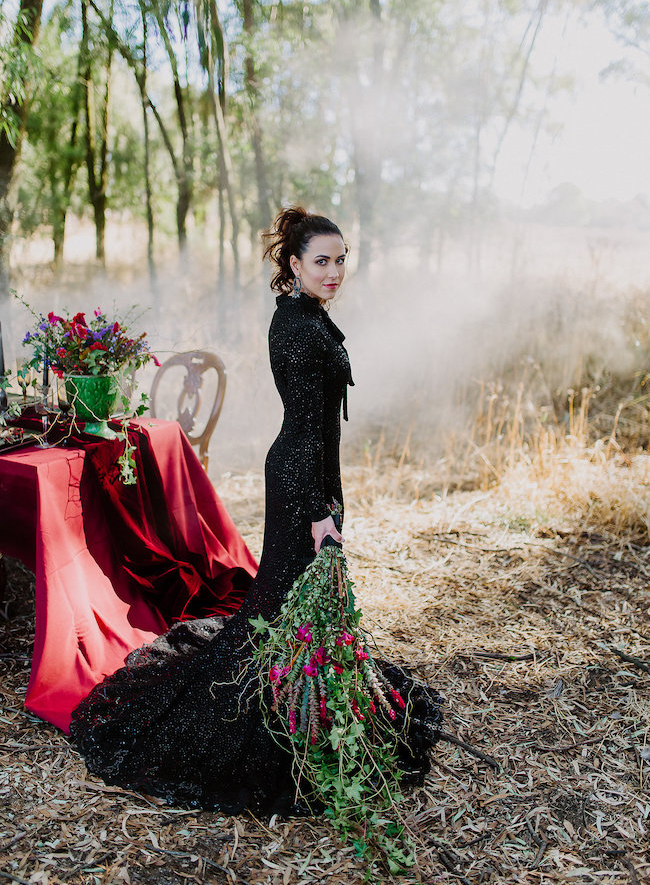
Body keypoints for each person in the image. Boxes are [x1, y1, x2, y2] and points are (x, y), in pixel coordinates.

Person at [70, 206, 442, 820]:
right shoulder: (297, 328)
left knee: (298, 601)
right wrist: (322, 512)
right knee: (285, 601)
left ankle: (310, 690)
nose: (334, 270)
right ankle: (281, 704)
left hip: (310, 472)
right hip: (301, 478)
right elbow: (308, 430)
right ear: (293, 265)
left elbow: (319, 428)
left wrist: (331, 499)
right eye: (321, 261)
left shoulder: (304, 316)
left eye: (341, 259)